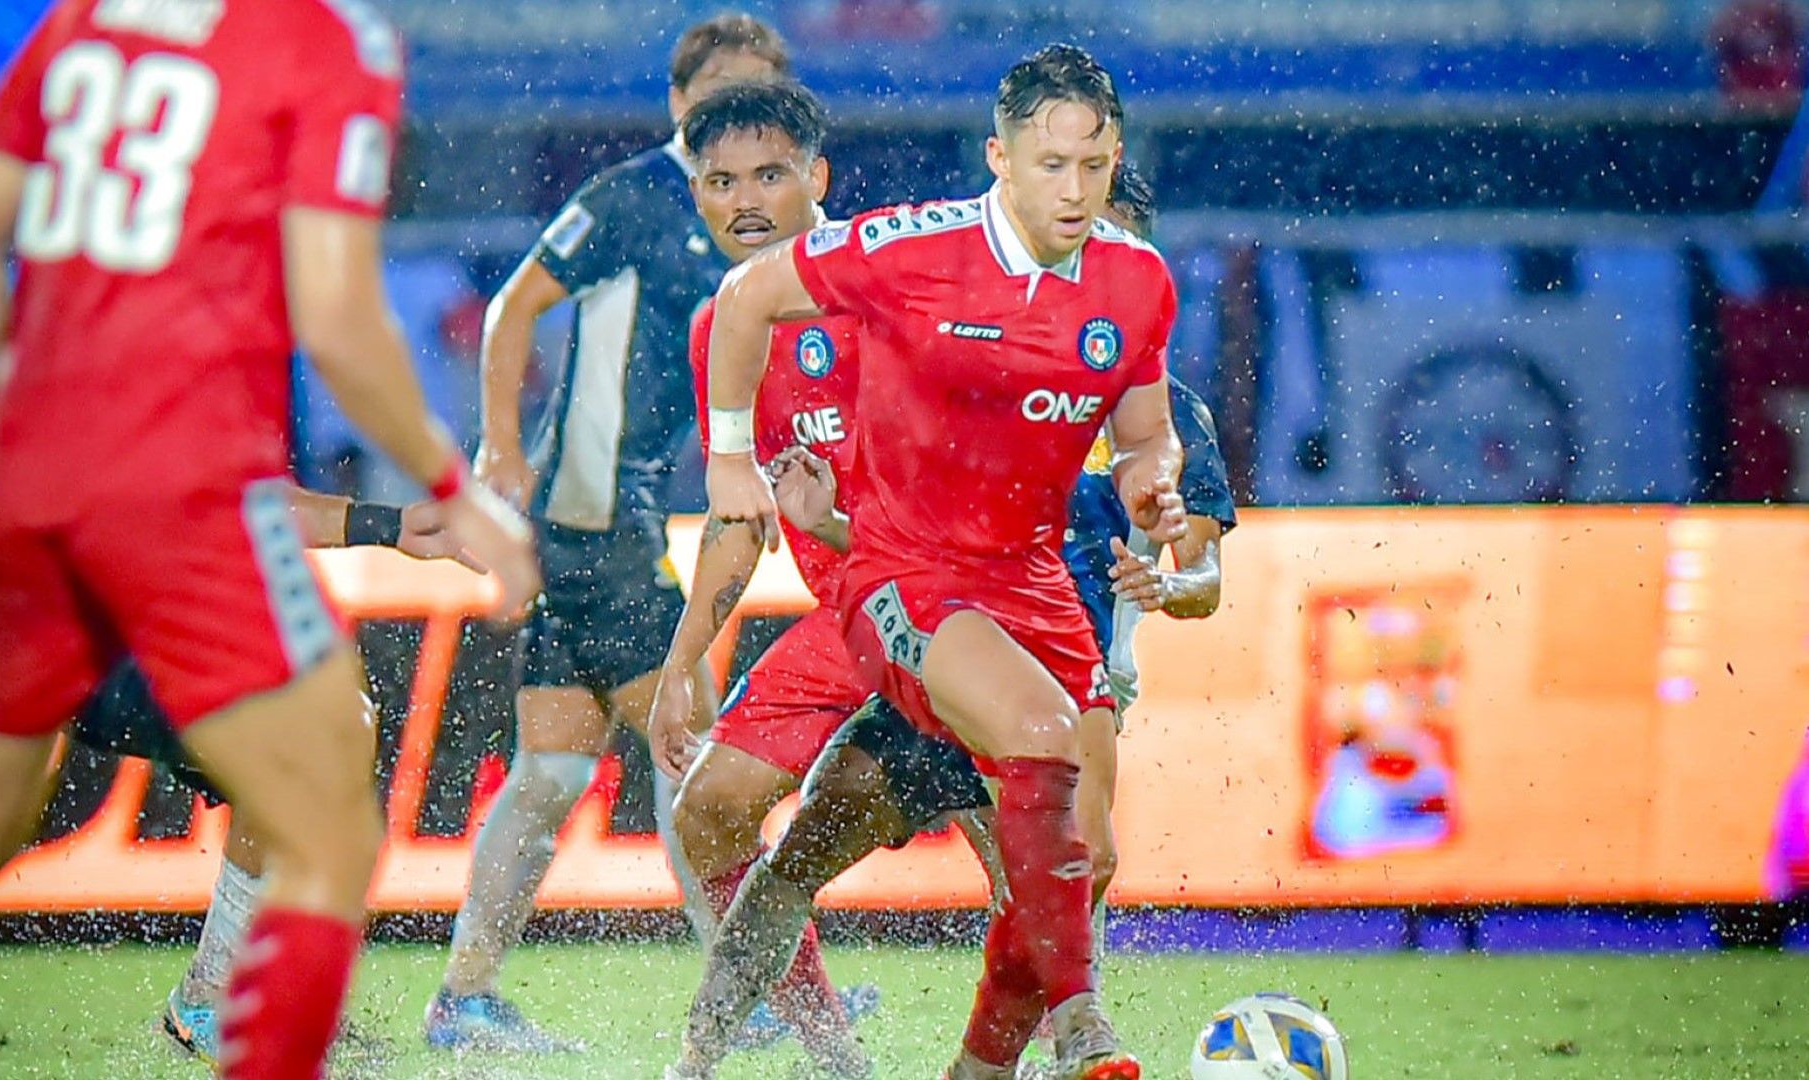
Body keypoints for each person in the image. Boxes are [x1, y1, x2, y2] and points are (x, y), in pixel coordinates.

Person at [0, 4, 537, 1079]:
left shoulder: (87, 24)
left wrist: (6, 481)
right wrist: (448, 485)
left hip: (47, 492)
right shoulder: (329, 39)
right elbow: (335, 314)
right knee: (330, 812)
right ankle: (232, 1017)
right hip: (176, 500)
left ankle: (216, 1002)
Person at [664, 167, 1234, 1080]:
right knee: (808, 855)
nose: (1075, 260)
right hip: (948, 664)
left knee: (1065, 881)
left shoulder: (1163, 418)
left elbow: (1204, 569)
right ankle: (695, 1059)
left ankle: (1023, 1059)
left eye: (1103, 242)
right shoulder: (981, 372)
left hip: (1065, 677)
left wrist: (1178, 582)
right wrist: (827, 525)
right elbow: (926, 544)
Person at [429, 14, 795, 1053]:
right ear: (682, 104)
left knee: (550, 772)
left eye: (764, 91)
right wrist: (500, 452)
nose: (744, 111)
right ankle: (751, 992)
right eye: (728, 91)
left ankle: (465, 997)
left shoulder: (743, 213)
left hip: (601, 516)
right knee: (698, 746)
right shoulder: (636, 195)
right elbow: (513, 310)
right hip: (593, 516)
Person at [0, 491, 473, 1064]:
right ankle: (221, 998)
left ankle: (228, 997)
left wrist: (390, 526)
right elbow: (26, 456)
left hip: (124, 638)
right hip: (74, 643)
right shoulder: (134, 403)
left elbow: (242, 501)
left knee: (316, 742)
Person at [647, 79, 871, 1077]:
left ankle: (1066, 1042)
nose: (743, 199)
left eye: (769, 175)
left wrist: (844, 523)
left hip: (960, 612)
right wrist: (684, 660)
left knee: (1023, 846)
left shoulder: (889, 287)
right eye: (720, 179)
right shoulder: (719, 329)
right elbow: (740, 514)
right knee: (708, 808)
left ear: (816, 180)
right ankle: (837, 1060)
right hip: (851, 624)